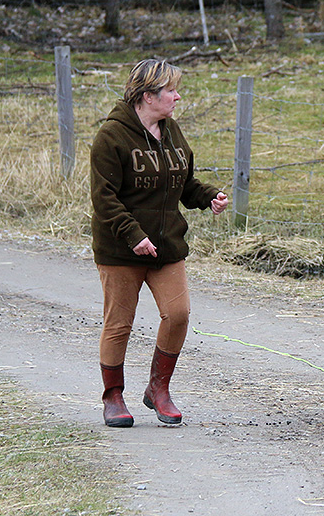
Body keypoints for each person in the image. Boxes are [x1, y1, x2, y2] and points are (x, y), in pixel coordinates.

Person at [90, 59, 228, 427]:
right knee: (119, 323)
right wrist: (133, 236)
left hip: (166, 246)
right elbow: (104, 199)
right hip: (121, 248)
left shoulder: (171, 131)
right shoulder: (111, 137)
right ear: (148, 95)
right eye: (171, 91)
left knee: (178, 314)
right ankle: (113, 396)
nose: (177, 96)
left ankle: (158, 389)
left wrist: (208, 196)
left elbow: (184, 183)